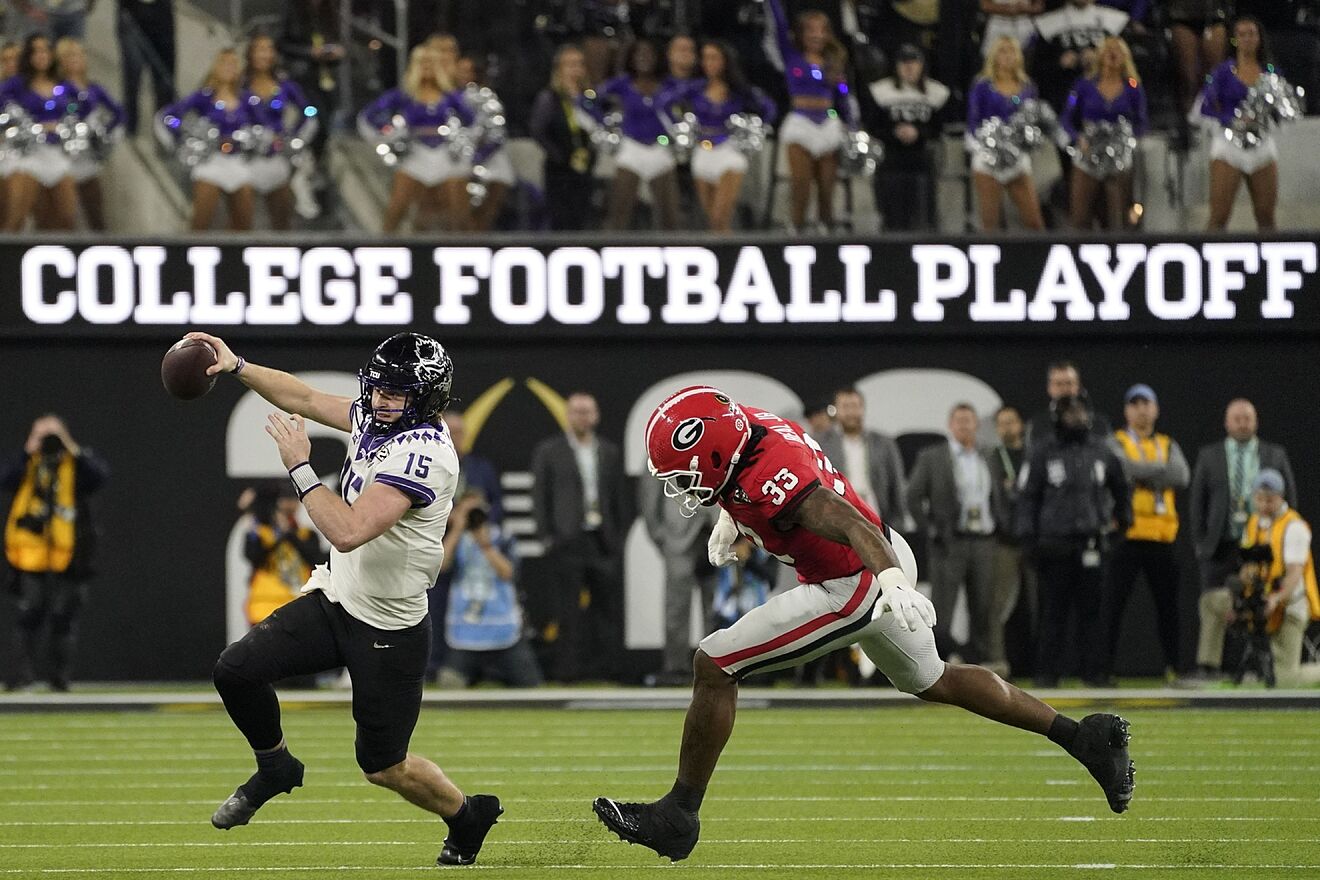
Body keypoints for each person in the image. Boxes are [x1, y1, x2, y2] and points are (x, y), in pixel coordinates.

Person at [593, 385, 1134, 862]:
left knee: (713, 664)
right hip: (881, 548)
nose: (684, 486)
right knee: (934, 678)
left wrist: (894, 584)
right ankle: (1082, 738)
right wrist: (731, 515)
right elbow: (752, 474)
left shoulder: (770, 477)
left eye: (687, 475)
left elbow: (846, 521)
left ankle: (678, 816)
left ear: (714, 453)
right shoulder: (744, 425)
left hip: (853, 580)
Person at [186, 330, 502, 867]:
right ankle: (275, 765)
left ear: (424, 399)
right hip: (339, 597)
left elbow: (350, 529)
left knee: (383, 766)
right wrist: (237, 364)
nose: (380, 401)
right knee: (236, 671)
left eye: (395, 394)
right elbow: (304, 398)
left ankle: (466, 814)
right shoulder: (380, 416)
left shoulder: (424, 453)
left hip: (390, 627)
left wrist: (300, 466)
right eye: (377, 389)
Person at [1016, 393, 1132, 687]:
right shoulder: (1043, 452)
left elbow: (1121, 487)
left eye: (1081, 412)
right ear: (1057, 418)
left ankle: (1095, 673)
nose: (1077, 418)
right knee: (1052, 612)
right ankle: (1046, 673)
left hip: (1092, 543)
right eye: (1070, 413)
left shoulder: (1101, 451)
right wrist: (1028, 539)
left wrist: (1123, 524)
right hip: (1054, 544)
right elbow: (1028, 497)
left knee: (1093, 613)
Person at [1187, 398, 1296, 682]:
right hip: (1221, 545)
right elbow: (1197, 503)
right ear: (1226, 422)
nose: (1242, 423)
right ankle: (1210, 667)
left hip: (1260, 546)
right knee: (1215, 603)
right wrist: (1201, 544)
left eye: (1247, 417)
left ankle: (1258, 665)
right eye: (1237, 418)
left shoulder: (1275, 454)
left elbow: (1291, 501)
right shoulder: (1209, 455)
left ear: (1256, 421)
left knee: (1256, 604)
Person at [3, 415, 108, 692]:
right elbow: (6, 478)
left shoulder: (76, 464)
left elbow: (99, 477)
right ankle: (20, 678)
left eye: (54, 435)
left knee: (64, 615)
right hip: (30, 556)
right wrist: (30, 448)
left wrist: (69, 446)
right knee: (30, 613)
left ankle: (60, 679)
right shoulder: (28, 463)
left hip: (70, 557)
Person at [530, 392, 627, 682]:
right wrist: (547, 536)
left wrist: (618, 538)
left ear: (596, 416)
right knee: (567, 610)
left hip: (602, 539)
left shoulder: (608, 451)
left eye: (587, 412)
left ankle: (606, 670)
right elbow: (539, 496)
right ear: (567, 415)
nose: (582, 417)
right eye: (576, 411)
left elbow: (620, 498)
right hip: (567, 539)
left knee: (606, 609)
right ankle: (567, 672)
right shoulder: (549, 450)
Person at [1198, 469, 1319, 686]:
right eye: (1259, 499)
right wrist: (1237, 600)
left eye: (1269, 500)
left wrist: (1276, 598)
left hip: (1287, 606)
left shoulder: (1294, 527)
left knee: (1284, 679)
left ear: (1280, 497)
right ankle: (1208, 667)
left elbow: (1294, 574)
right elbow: (1247, 566)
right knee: (1212, 601)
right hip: (1258, 598)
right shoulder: (1254, 523)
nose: (1263, 506)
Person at [1104, 384, 1189, 681]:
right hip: (1126, 535)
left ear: (1156, 409)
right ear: (1127, 410)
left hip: (1162, 538)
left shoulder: (1168, 443)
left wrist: (1138, 472)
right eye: (1135, 404)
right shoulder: (1115, 440)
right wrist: (1157, 471)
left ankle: (1175, 668)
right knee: (1112, 607)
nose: (1141, 409)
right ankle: (1103, 669)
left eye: (1146, 403)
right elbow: (1119, 467)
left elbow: (1180, 475)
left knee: (1168, 607)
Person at [906, 403, 997, 665]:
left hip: (983, 539)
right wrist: (930, 528)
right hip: (949, 541)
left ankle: (982, 665)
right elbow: (912, 496)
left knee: (983, 607)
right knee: (942, 608)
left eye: (969, 420)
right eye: (959, 421)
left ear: (976, 424)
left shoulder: (987, 455)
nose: (964, 425)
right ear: (950, 425)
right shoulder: (933, 456)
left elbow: (996, 496)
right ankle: (936, 664)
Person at [657, 41, 777, 232]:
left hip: (729, 151)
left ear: (725, 61)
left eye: (714, 58)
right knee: (712, 222)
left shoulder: (738, 89)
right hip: (702, 153)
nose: (709, 63)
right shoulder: (695, 87)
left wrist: (754, 129)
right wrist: (680, 127)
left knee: (720, 217)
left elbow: (769, 108)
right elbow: (663, 103)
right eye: (705, 58)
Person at [358, 45, 473, 233]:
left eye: (431, 63)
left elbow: (472, 121)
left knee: (458, 213)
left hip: (447, 155)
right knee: (397, 208)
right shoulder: (404, 95)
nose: (427, 67)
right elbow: (369, 116)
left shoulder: (451, 96)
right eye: (423, 62)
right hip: (415, 154)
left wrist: (459, 140)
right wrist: (390, 134)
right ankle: (387, 251)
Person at [764, 0, 857, 232]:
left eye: (821, 30)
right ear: (801, 33)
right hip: (800, 123)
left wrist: (852, 124)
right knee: (801, 186)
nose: (816, 35)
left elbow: (844, 95)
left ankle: (827, 232)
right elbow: (778, 24)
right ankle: (796, 231)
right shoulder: (791, 56)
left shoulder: (834, 62)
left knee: (827, 189)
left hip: (828, 123)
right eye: (811, 29)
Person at [436, 489, 542, 688]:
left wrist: (485, 544)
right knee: (449, 685)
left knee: (530, 685)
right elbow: (441, 566)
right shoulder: (455, 541)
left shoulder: (501, 538)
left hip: (502, 629)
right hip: (466, 632)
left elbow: (508, 573)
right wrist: (457, 528)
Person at [157, 48, 257, 232]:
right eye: (224, 63)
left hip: (238, 162)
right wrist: (186, 138)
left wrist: (259, 139)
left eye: (233, 64)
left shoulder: (247, 99)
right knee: (201, 222)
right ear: (215, 67)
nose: (228, 68)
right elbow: (168, 117)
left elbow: (265, 125)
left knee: (244, 223)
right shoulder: (203, 97)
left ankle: (234, 257)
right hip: (211, 162)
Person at [1201, 16, 1283, 232]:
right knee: (1219, 216)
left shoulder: (1270, 72)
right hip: (1229, 145)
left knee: (1266, 217)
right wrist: (1232, 118)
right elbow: (1207, 107)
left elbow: (1282, 105)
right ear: (1234, 39)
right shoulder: (1221, 72)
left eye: (1252, 34)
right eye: (1242, 34)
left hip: (1261, 144)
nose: (1247, 39)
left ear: (1259, 38)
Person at [639, 462, 719, 686]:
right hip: (677, 534)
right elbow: (649, 490)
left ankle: (719, 664)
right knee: (676, 606)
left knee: (717, 605)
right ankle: (676, 668)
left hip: (715, 529)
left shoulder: (719, 434)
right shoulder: (664, 439)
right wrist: (658, 533)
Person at [1060, 35, 1146, 231]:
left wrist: (1127, 141)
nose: (1112, 54)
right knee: (1080, 217)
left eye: (1118, 50)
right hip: (1088, 152)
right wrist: (1076, 139)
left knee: (1116, 217)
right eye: (1108, 49)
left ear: (1126, 56)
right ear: (1099, 55)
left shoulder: (1133, 87)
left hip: (1119, 158)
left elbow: (1141, 121)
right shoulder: (1083, 85)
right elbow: (1066, 118)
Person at [595, 38, 682, 231]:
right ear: (631, 58)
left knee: (670, 217)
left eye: (649, 54)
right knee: (619, 213)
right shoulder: (622, 84)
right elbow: (590, 100)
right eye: (639, 54)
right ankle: (613, 252)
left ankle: (672, 254)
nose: (644, 58)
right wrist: (604, 122)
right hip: (631, 150)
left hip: (660, 149)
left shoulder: (669, 85)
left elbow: (690, 99)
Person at [967, 36, 1045, 232]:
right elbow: (973, 121)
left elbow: (1032, 121)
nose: (1007, 55)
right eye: (1002, 50)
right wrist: (983, 147)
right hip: (987, 158)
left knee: (1034, 222)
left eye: (1011, 50)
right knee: (990, 224)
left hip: (1017, 158)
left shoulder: (1028, 87)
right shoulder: (982, 85)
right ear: (994, 55)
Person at [868, 43, 949, 231]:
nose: (909, 67)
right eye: (904, 63)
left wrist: (919, 133)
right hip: (891, 161)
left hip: (922, 161)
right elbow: (873, 127)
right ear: (896, 66)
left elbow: (939, 128)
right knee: (893, 218)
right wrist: (894, 133)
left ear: (922, 65)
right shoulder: (880, 91)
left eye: (914, 62)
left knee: (923, 217)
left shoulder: (937, 92)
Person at [1, 34, 77, 231]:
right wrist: (27, 127)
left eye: (45, 50)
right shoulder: (17, 84)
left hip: (57, 155)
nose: (41, 55)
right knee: (16, 217)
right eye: (36, 51)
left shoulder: (63, 85)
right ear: (28, 56)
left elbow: (83, 105)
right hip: (28, 156)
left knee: (65, 218)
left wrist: (67, 126)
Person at [243, 33, 318, 231]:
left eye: (269, 49)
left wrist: (294, 138)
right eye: (260, 49)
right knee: (242, 220)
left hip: (277, 157)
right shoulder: (240, 85)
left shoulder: (286, 86)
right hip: (245, 158)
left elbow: (309, 112)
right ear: (250, 54)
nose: (265, 55)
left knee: (281, 219)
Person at [54, 38, 125, 232]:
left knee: (96, 215)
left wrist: (105, 136)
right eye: (69, 56)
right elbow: (67, 110)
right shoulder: (58, 89)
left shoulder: (94, 88)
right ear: (60, 61)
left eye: (78, 55)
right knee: (64, 218)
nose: (75, 59)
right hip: (64, 159)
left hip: (89, 160)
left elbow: (119, 113)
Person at [529, 44, 597, 231]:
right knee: (560, 219)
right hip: (559, 170)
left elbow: (597, 128)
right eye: (570, 65)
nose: (575, 70)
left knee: (582, 218)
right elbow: (537, 130)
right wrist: (558, 155)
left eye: (579, 64)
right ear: (559, 69)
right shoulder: (549, 98)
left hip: (584, 167)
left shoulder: (588, 98)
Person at [988, 404, 1034, 675]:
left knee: (1039, 603)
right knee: (998, 603)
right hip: (1004, 541)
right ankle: (998, 661)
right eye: (1001, 423)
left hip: (1033, 540)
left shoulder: (1033, 455)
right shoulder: (993, 458)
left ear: (1021, 425)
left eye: (1011, 422)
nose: (1007, 428)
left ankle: (1041, 662)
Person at [817, 387, 907, 526]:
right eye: (845, 407)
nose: (851, 412)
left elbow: (897, 483)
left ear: (863, 408)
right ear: (835, 410)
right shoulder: (821, 443)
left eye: (855, 406)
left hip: (876, 513)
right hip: (837, 512)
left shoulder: (883, 443)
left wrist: (899, 521)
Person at [239, 483, 324, 627]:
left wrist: (288, 533)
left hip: (297, 605)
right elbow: (252, 556)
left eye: (292, 499)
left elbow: (315, 558)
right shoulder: (261, 534)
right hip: (264, 606)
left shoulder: (306, 535)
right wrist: (276, 535)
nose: (288, 505)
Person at [1030, 0, 1130, 111]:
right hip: (1063, 96)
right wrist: (1059, 63)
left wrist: (1101, 59)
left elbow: (1130, 66)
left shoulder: (1116, 20)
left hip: (1108, 97)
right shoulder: (1047, 23)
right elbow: (1037, 70)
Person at [1168, 0, 1231, 148]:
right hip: (1182, 14)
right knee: (1189, 77)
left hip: (1215, 14)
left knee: (1213, 78)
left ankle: (1215, 121)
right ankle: (1188, 124)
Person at [117, 0, 177, 137]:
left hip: (161, 12)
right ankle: (130, 128)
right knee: (132, 78)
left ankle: (165, 131)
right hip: (131, 12)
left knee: (165, 81)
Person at [1025, 361, 1113, 451]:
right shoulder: (1038, 425)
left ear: (1078, 386)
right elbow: (1032, 458)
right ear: (1049, 388)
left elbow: (1111, 457)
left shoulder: (1098, 423)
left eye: (1069, 383)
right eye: (1058, 384)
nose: (1064, 389)